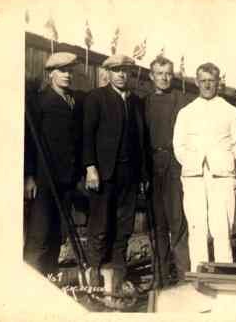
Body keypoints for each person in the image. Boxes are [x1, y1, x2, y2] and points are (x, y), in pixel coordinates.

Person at [83, 55, 149, 300]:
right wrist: (90, 167)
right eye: (117, 70)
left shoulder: (135, 102)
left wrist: (142, 174)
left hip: (128, 176)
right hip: (103, 174)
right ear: (108, 73)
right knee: (100, 227)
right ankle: (95, 283)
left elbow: (140, 141)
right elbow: (87, 135)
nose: (122, 75)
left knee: (124, 227)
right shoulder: (96, 98)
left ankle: (117, 280)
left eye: (126, 71)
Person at [173, 63, 236, 271]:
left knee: (222, 227)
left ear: (218, 83)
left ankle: (225, 272)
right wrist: (192, 163)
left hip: (221, 176)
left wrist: (227, 161)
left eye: (211, 81)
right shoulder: (186, 113)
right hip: (194, 176)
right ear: (197, 82)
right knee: (197, 227)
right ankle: (200, 272)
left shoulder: (231, 111)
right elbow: (178, 145)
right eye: (203, 80)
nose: (207, 85)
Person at [24, 52, 83, 277]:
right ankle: (31, 282)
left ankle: (49, 279)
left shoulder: (74, 101)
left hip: (66, 178)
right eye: (62, 70)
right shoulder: (41, 102)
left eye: (70, 70)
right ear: (51, 74)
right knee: (40, 233)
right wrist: (29, 175)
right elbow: (29, 141)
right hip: (44, 177)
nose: (67, 75)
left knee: (57, 232)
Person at [144, 56, 190, 286]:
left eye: (168, 73)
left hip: (175, 165)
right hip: (153, 166)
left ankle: (184, 278)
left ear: (173, 75)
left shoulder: (182, 100)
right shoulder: (145, 102)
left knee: (178, 221)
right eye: (159, 73)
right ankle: (159, 277)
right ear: (151, 76)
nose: (163, 78)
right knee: (157, 223)